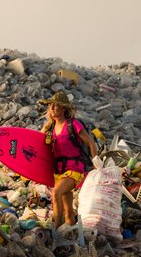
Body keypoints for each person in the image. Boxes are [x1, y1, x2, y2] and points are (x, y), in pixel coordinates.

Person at [38, 91, 98, 229]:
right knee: (68, 212)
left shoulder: (73, 124)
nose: (52, 110)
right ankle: (71, 234)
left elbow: (90, 143)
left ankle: (57, 230)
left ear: (64, 108)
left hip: (74, 168)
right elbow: (40, 147)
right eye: (50, 107)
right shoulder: (51, 128)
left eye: (55, 106)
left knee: (56, 193)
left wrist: (96, 164)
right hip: (59, 171)